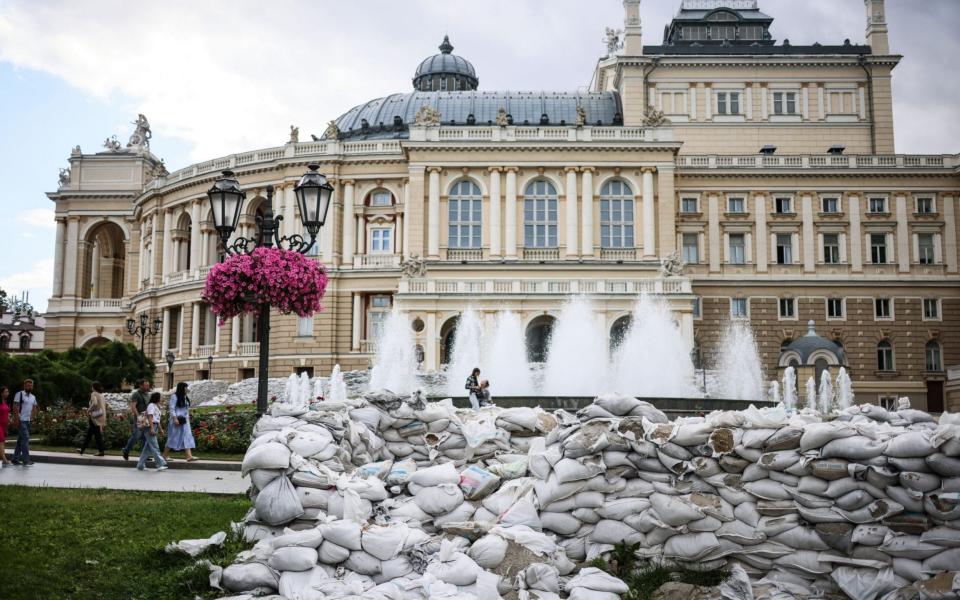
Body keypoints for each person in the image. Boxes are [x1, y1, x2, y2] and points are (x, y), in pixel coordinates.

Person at [163, 382, 196, 462]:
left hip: (184, 420)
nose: (187, 389)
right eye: (186, 387)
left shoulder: (184, 397)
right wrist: (174, 418)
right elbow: (172, 408)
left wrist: (188, 417)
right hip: (177, 420)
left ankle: (189, 456)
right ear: (182, 388)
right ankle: (164, 455)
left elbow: (185, 409)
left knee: (187, 436)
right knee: (173, 437)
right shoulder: (175, 396)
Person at [137, 392, 168, 471]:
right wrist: (151, 428)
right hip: (150, 426)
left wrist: (160, 429)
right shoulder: (151, 405)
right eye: (160, 397)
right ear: (157, 398)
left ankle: (140, 465)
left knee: (147, 448)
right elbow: (150, 417)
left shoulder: (155, 406)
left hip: (154, 426)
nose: (161, 399)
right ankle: (160, 464)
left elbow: (157, 420)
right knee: (155, 446)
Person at [122, 379, 151, 461]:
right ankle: (126, 450)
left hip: (146, 417)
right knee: (136, 435)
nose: (147, 387)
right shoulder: (136, 394)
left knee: (146, 436)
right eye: (145, 385)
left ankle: (144, 455)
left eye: (148, 385)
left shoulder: (147, 395)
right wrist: (138, 416)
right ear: (141, 385)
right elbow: (133, 406)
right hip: (139, 417)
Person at [76, 382, 107, 456]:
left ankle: (100, 451)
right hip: (101, 416)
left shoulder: (94, 394)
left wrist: (89, 409)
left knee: (95, 435)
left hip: (94, 417)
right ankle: (82, 450)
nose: (91, 388)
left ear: (93, 387)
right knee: (91, 434)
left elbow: (95, 403)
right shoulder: (101, 395)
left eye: (92, 386)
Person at [12, 379, 37, 466]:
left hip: (27, 421)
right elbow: (15, 406)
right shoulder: (19, 394)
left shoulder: (33, 397)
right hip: (21, 420)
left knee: (20, 440)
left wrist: (32, 418)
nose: (29, 387)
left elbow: (34, 407)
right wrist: (16, 419)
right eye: (28, 385)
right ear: (24, 386)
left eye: (31, 385)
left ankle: (15, 459)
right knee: (26, 438)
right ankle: (26, 460)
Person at [0, 386, 11, 466]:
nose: (7, 393)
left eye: (8, 392)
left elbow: (6, 414)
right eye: (6, 392)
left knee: (2, 442)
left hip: (4, 425)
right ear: (1, 393)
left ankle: (4, 459)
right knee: (1, 442)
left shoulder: (5, 402)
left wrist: (9, 420)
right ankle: (4, 459)